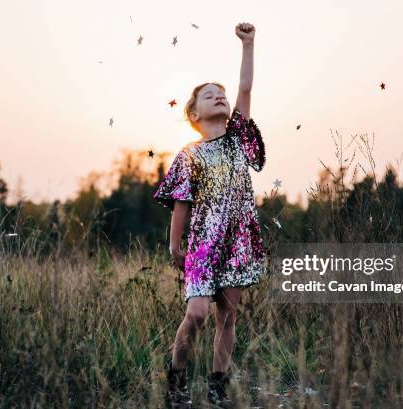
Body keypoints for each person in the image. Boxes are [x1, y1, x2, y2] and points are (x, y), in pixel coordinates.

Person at [153, 22, 266, 409]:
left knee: (227, 315)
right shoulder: (189, 154)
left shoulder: (237, 137)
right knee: (197, 313)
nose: (219, 97)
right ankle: (176, 380)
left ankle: (217, 387)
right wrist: (174, 245)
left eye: (221, 94)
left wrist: (248, 45)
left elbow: (246, 88)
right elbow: (181, 202)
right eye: (208, 95)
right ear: (194, 113)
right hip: (202, 243)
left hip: (237, 240)